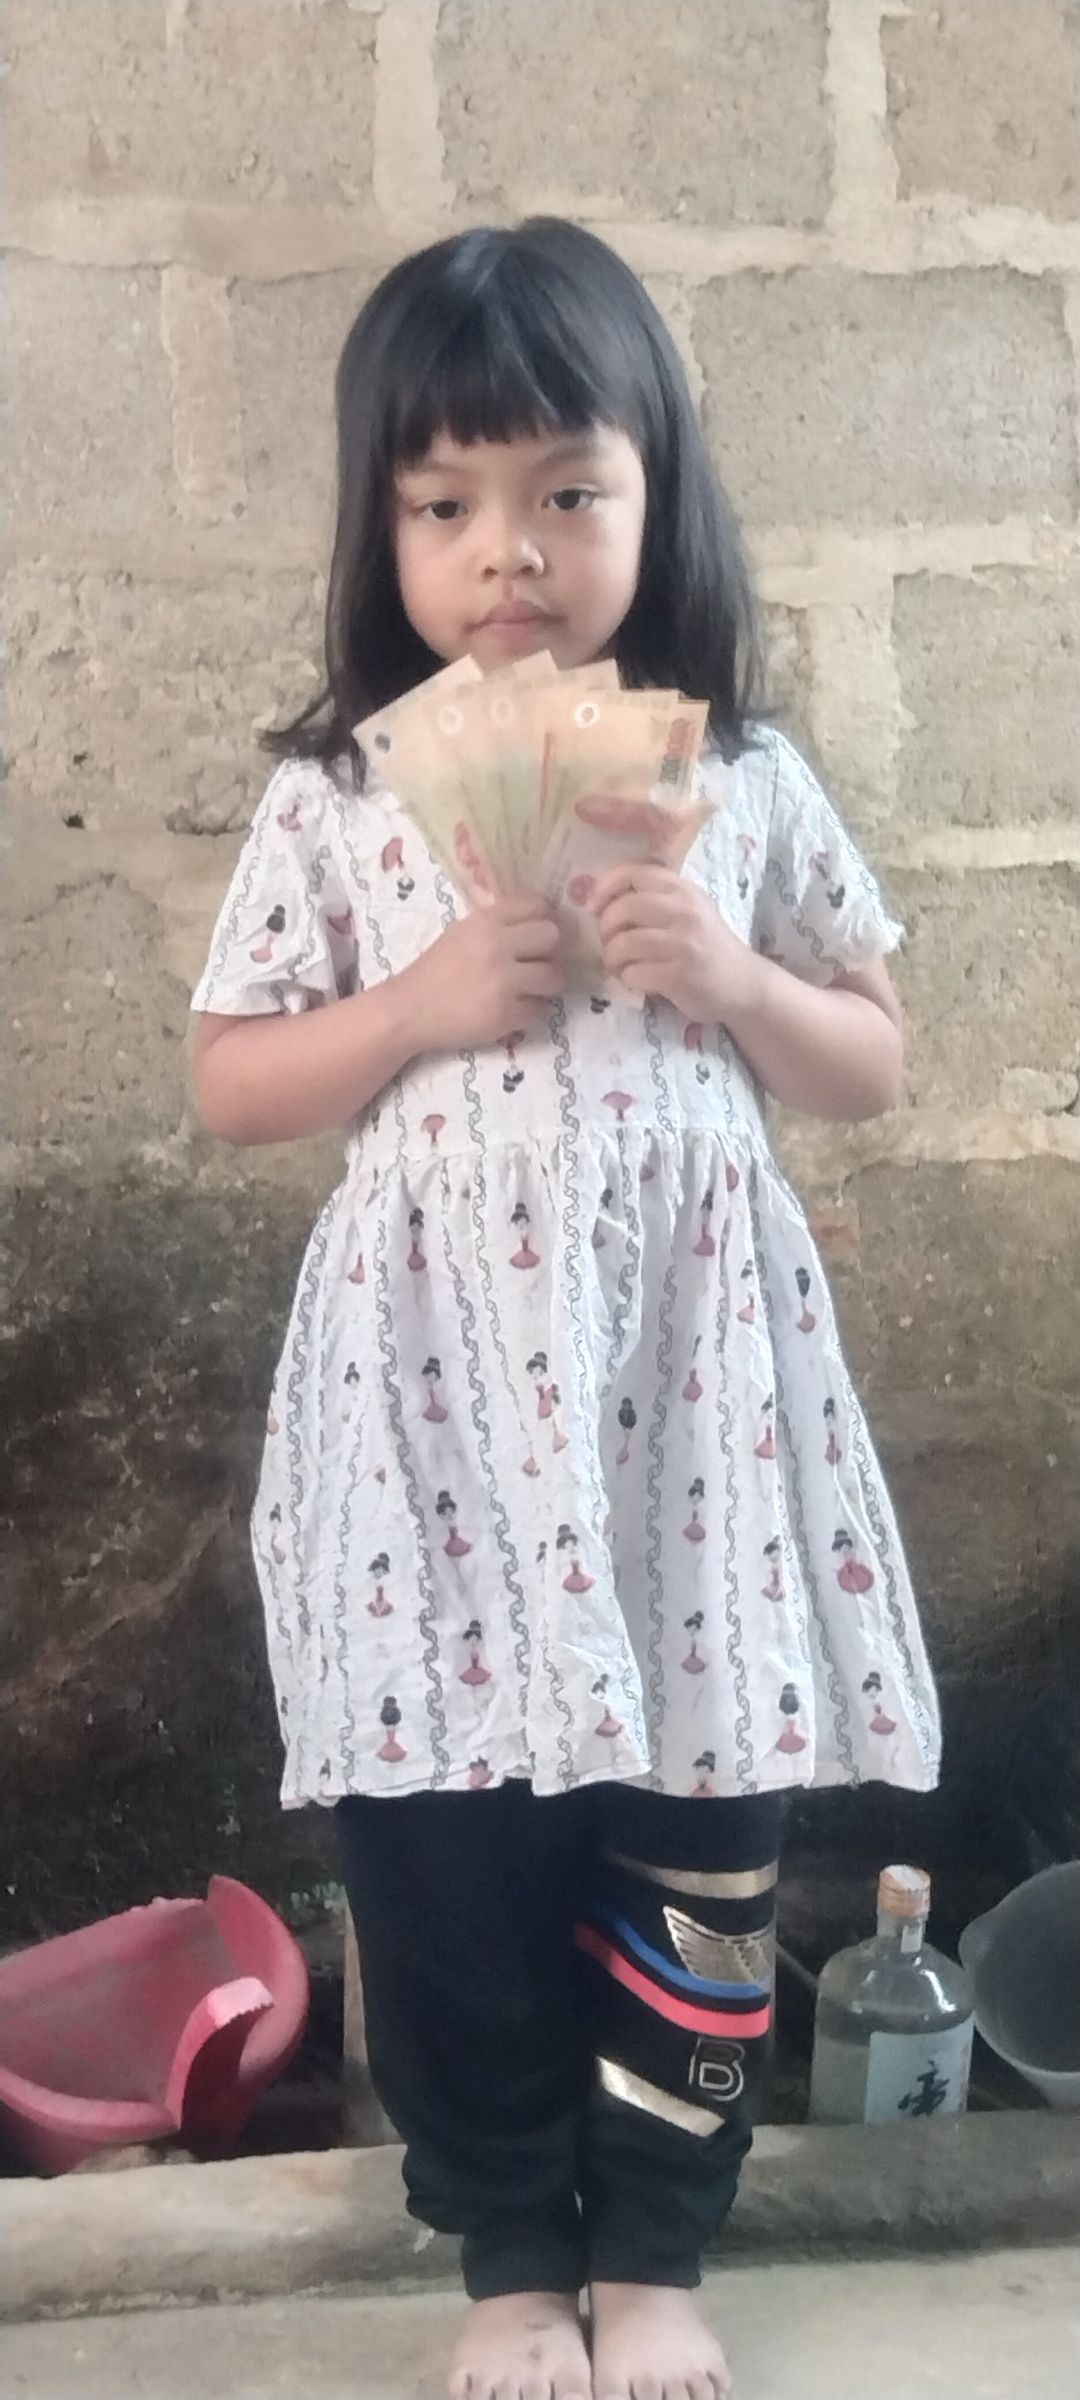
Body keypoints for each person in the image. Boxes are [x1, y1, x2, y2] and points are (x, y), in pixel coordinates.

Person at [190, 219, 941, 2400]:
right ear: (382, 528)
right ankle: (513, 2258)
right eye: (443, 503)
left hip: (683, 1414)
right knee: (447, 1850)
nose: (504, 553)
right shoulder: (337, 802)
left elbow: (873, 1061)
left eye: (564, 492)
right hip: (432, 1421)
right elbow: (234, 1081)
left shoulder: (750, 781)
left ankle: (659, 2258)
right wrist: (417, 1005)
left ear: (657, 493)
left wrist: (737, 979)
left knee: (704, 1838)